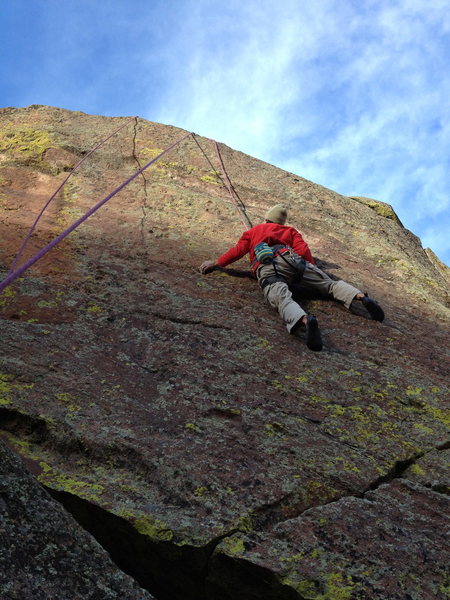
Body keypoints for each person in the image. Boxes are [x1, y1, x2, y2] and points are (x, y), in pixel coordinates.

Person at [199, 204, 384, 351]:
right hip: (293, 260)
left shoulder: (253, 232)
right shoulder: (290, 231)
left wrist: (217, 263)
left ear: (266, 218)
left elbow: (238, 251)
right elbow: (303, 250)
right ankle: (361, 297)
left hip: (267, 265)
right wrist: (309, 267)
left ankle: (304, 320)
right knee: (329, 284)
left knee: (281, 297)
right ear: (282, 222)